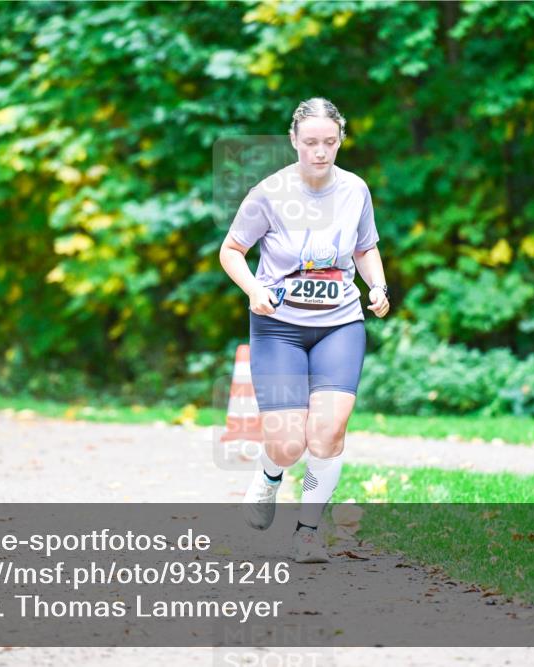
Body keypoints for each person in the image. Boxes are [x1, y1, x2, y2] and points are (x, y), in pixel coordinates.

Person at [220, 97, 389, 563]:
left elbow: (365, 248)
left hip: (340, 324)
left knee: (329, 432)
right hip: (279, 327)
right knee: (289, 442)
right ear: (294, 141)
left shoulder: (355, 190)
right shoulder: (269, 193)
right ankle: (269, 475)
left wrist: (377, 284)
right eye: (311, 142)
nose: (320, 151)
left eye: (330, 142)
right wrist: (254, 289)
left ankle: (308, 531)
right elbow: (231, 251)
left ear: (341, 141)